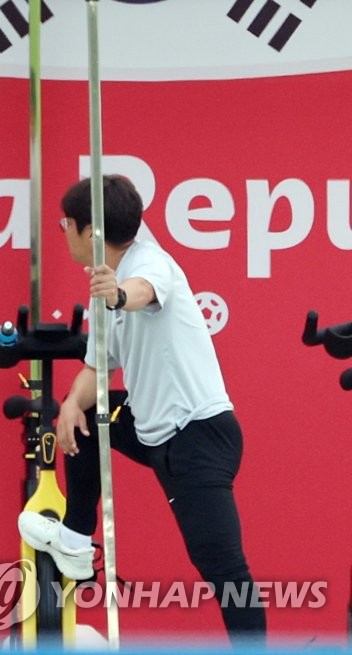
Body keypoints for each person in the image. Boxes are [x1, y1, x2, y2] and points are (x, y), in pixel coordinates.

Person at [17, 175, 266, 642]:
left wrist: (115, 294)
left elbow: (140, 293)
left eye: (64, 223)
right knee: (87, 418)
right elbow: (97, 369)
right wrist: (70, 403)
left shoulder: (149, 264)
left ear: (89, 232)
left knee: (222, 566)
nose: (62, 231)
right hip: (152, 431)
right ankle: (74, 537)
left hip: (198, 435)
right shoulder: (102, 295)